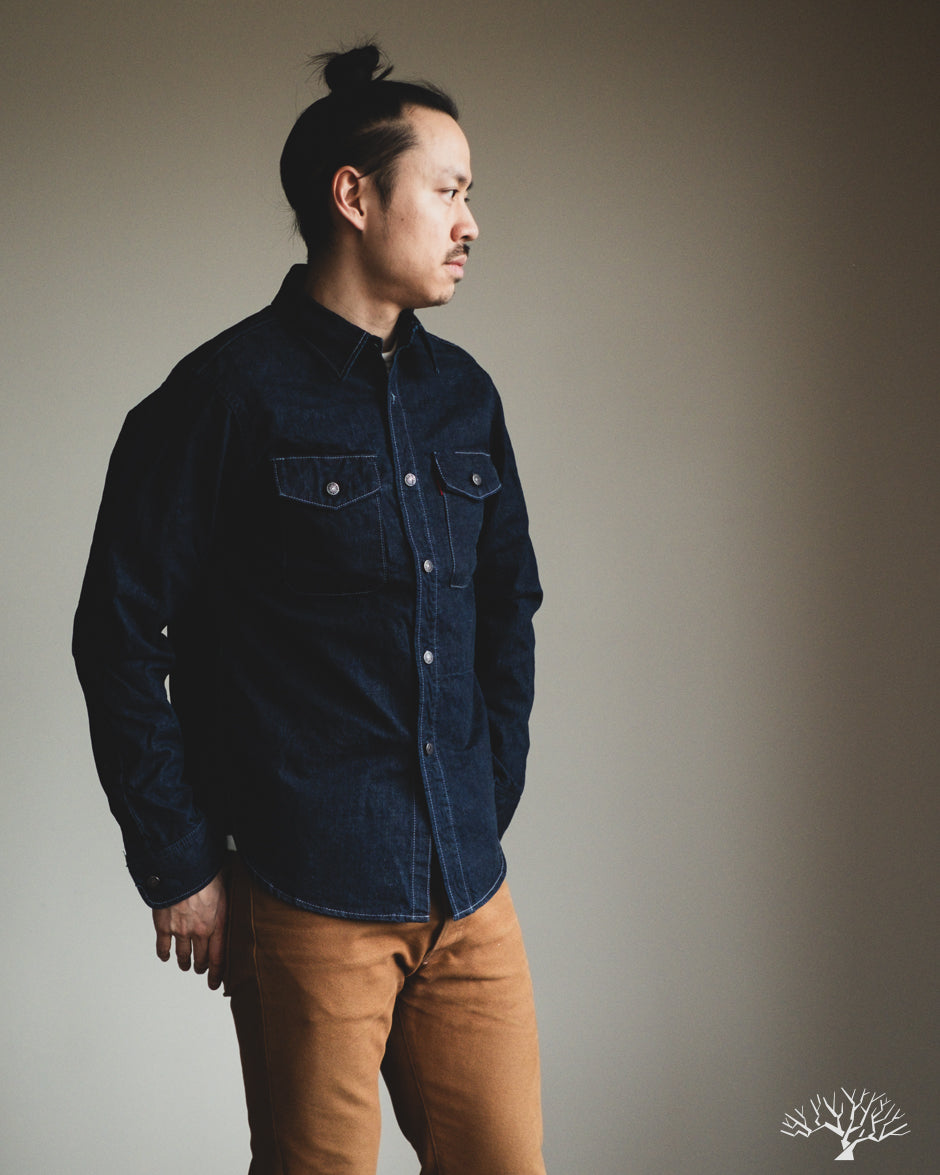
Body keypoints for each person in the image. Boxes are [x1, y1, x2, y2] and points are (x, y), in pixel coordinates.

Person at [73, 43, 544, 1175]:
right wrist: (179, 860)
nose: (471, 222)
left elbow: (507, 607)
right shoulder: (221, 397)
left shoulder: (465, 396)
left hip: (468, 887)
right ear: (354, 196)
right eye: (449, 190)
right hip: (308, 890)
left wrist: (486, 792)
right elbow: (119, 632)